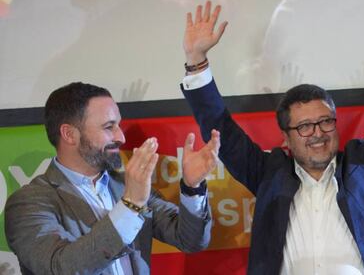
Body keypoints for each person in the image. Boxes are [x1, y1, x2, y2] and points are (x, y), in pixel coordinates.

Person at [180, 0, 364, 275]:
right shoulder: (269, 174)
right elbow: (220, 128)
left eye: (325, 121)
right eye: (304, 126)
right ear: (286, 139)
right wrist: (196, 61)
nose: (317, 132)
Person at [5, 82, 220, 275]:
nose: (121, 137)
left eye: (118, 125)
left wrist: (192, 187)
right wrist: (130, 205)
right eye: (109, 127)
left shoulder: (127, 185)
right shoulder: (29, 203)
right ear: (69, 134)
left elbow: (190, 240)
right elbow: (62, 268)